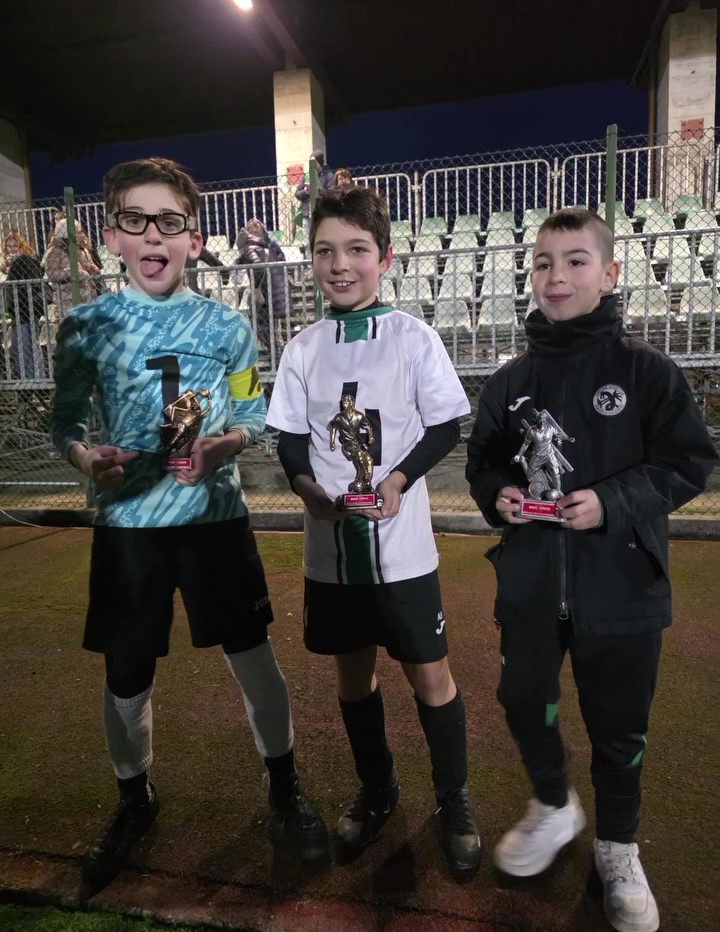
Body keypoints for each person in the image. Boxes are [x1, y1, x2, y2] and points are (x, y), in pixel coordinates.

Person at [51, 157, 329, 898]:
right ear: (111, 235)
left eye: (169, 222)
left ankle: (285, 790)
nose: (153, 235)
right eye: (135, 220)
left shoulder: (229, 328)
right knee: (125, 674)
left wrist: (224, 446)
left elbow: (252, 415)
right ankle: (134, 799)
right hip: (128, 527)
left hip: (214, 521)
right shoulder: (84, 327)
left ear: (194, 240)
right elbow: (65, 422)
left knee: (254, 659)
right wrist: (85, 457)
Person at [465, 207, 717, 932]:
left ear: (609, 275)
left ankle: (618, 847)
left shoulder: (647, 372)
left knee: (618, 727)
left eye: (576, 261)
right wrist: (497, 496)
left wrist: (610, 502)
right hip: (530, 586)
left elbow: (688, 462)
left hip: (624, 588)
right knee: (523, 701)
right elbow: (483, 463)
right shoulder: (510, 381)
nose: (557, 276)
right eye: (544, 263)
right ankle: (554, 803)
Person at [266, 187, 482, 877]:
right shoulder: (302, 348)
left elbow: (445, 425)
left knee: (431, 674)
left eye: (357, 250)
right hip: (330, 553)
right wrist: (306, 488)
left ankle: (453, 800)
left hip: (404, 550)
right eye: (325, 251)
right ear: (310, 261)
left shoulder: (414, 337)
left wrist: (398, 480)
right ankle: (378, 786)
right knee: (352, 675)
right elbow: (290, 440)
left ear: (384, 258)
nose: (340, 265)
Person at [236, 218, 289, 352]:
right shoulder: (271, 245)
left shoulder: (250, 248)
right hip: (278, 289)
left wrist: (255, 288)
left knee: (261, 324)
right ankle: (276, 351)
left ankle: (274, 351)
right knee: (272, 324)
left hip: (264, 290)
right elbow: (282, 259)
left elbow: (257, 266)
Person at [1, 232, 49, 378]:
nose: (12, 249)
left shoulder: (27, 260)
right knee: (22, 344)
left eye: (15, 245)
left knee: (30, 344)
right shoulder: (7, 265)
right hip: (18, 309)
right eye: (9, 246)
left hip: (27, 307)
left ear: (22, 246)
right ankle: (30, 377)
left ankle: (35, 377)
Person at [44, 219, 101, 316]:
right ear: (67, 233)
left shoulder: (82, 249)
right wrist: (72, 273)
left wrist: (92, 268)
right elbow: (51, 273)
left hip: (88, 297)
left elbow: (89, 265)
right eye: (78, 232)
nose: (81, 235)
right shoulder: (55, 251)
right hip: (67, 300)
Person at [294, 149, 334, 249]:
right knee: (308, 241)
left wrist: (317, 189)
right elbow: (297, 194)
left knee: (323, 239)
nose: (312, 164)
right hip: (307, 213)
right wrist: (306, 192)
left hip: (322, 213)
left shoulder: (328, 175)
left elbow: (332, 192)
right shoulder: (306, 176)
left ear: (319, 161)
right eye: (310, 161)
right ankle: (309, 258)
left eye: (314, 161)